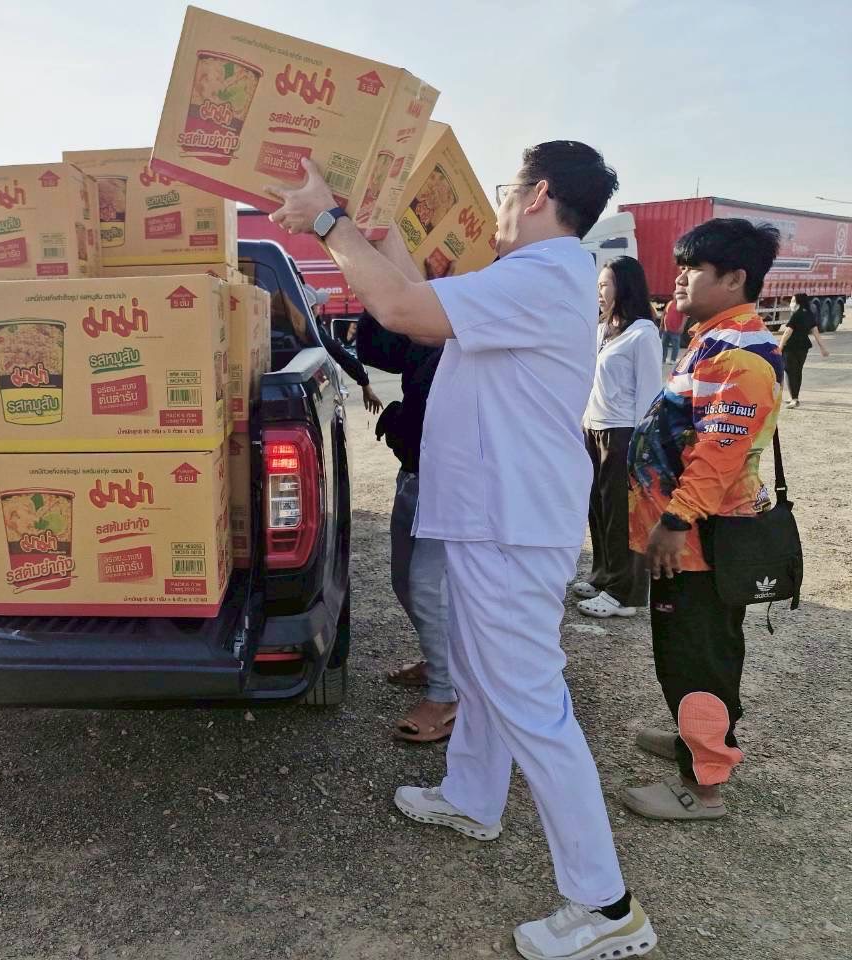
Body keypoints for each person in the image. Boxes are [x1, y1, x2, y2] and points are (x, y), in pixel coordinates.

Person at [265, 142, 657, 960]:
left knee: (531, 704)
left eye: (511, 189)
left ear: (538, 193)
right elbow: (419, 296)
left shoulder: (542, 275)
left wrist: (330, 222)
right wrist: (376, 226)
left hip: (512, 523)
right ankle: (474, 797)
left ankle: (607, 907)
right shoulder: (532, 275)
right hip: (494, 515)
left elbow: (401, 310)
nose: (502, 203)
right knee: (480, 674)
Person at [624, 218, 783, 822]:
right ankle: (696, 736)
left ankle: (704, 782)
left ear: (735, 278)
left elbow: (719, 452)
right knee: (697, 649)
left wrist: (675, 520)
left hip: (699, 541)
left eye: (694, 268)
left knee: (695, 655)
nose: (680, 278)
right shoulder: (712, 339)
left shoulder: (740, 356)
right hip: (692, 537)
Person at [355, 312, 455, 741]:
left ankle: (447, 694)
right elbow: (375, 349)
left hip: (450, 484)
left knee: (428, 584)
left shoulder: (474, 336)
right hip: (412, 476)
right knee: (404, 581)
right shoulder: (425, 334)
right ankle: (441, 661)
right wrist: (379, 299)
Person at [572, 256, 663, 618]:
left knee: (621, 515)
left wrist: (641, 448)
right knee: (598, 508)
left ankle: (624, 594)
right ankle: (604, 575)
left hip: (622, 432)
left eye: (604, 285)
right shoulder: (602, 329)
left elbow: (650, 394)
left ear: (623, 287)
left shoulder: (643, 333)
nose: (599, 292)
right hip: (592, 428)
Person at [776, 293, 829, 407]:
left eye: (793, 301)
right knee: (797, 371)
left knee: (790, 372)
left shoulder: (796, 315)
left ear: (798, 302)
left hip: (791, 348)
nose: (791, 303)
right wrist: (823, 348)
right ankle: (794, 396)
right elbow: (816, 332)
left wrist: (780, 347)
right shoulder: (809, 314)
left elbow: (787, 332)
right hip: (803, 347)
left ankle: (794, 399)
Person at [660, 296, 684, 363]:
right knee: (663, 345)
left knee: (675, 346)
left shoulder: (681, 305)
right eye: (675, 295)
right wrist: (661, 324)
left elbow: (684, 317)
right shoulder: (670, 303)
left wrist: (682, 326)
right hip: (666, 329)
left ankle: (673, 360)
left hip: (675, 329)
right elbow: (664, 313)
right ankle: (663, 359)